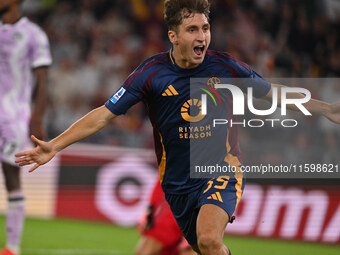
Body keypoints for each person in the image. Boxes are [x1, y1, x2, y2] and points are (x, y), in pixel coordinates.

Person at [14, 0, 340, 254]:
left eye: (205, 28)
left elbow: (272, 93)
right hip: (176, 185)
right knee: (203, 248)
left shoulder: (224, 66)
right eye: (193, 30)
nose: (202, 37)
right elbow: (103, 115)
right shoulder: (151, 74)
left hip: (220, 169)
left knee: (209, 241)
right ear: (173, 36)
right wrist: (54, 145)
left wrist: (324, 108)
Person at [0, 0, 52, 254]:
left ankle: (12, 246)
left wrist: (38, 119)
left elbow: (43, 81)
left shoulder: (33, 34)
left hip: (13, 116)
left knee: (11, 176)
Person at [136, 176, 196, 255]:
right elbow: (161, 182)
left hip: (195, 217)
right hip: (170, 217)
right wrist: (150, 209)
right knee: (144, 252)